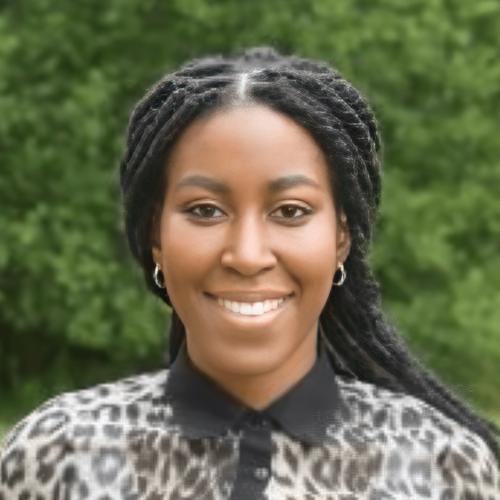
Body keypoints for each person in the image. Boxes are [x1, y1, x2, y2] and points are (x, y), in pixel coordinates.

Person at [0, 47, 498, 499]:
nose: (247, 254)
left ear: (341, 238)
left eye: (290, 211)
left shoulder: (443, 467)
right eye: (205, 210)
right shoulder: (57, 453)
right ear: (157, 237)